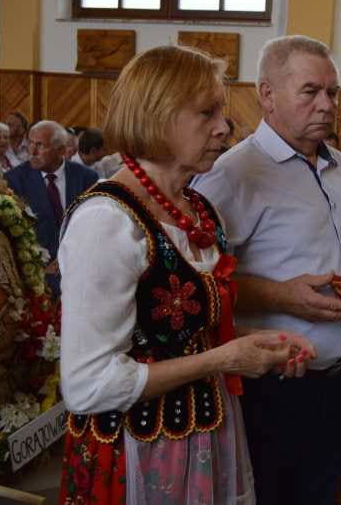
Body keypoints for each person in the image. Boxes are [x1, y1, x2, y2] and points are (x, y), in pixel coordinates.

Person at [57, 45, 317, 505]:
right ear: (157, 117)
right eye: (206, 113)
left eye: (222, 111)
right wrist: (224, 360)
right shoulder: (107, 220)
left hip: (206, 433)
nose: (224, 126)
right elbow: (88, 384)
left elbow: (180, 332)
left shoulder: (197, 208)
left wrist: (260, 341)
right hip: (140, 450)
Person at [193, 35, 341, 505]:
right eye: (310, 91)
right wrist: (280, 296)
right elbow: (198, 284)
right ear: (266, 95)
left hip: (337, 376)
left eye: (333, 92)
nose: (326, 105)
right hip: (271, 385)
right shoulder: (232, 174)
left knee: (321, 492)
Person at [5, 120, 98, 295]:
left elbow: (94, 225)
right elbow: (13, 232)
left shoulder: (87, 178)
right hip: (36, 275)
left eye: (40, 145)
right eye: (30, 143)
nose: (31, 151)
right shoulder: (14, 180)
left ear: (62, 150)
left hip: (81, 270)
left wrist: (67, 258)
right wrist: (39, 265)